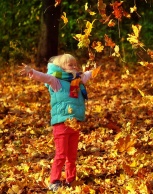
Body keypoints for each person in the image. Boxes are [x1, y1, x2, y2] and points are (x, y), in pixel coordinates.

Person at [20, 54, 100, 192]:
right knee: (61, 154)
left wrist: (98, 67)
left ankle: (71, 179)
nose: (74, 66)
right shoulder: (56, 80)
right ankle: (54, 180)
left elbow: (89, 74)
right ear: (61, 68)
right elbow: (43, 77)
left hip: (75, 123)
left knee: (72, 155)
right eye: (70, 65)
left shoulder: (78, 79)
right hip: (61, 123)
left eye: (75, 64)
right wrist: (31, 71)